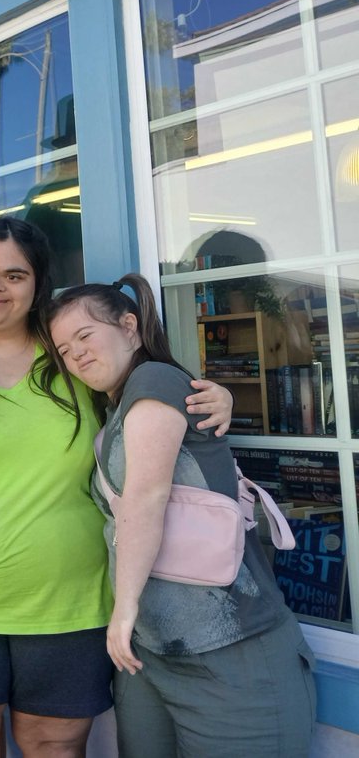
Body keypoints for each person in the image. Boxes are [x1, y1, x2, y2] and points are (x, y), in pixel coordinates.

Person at [0, 217, 235, 757]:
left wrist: (213, 395)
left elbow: (149, 392)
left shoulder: (72, 357)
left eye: (14, 275)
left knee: (54, 748)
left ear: (38, 284)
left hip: (71, 603)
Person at [49, 274, 316, 757]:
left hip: (231, 649)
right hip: (153, 653)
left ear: (130, 327)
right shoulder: (115, 407)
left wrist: (123, 607)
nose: (76, 355)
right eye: (64, 350)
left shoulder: (152, 378)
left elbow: (146, 497)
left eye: (85, 336)